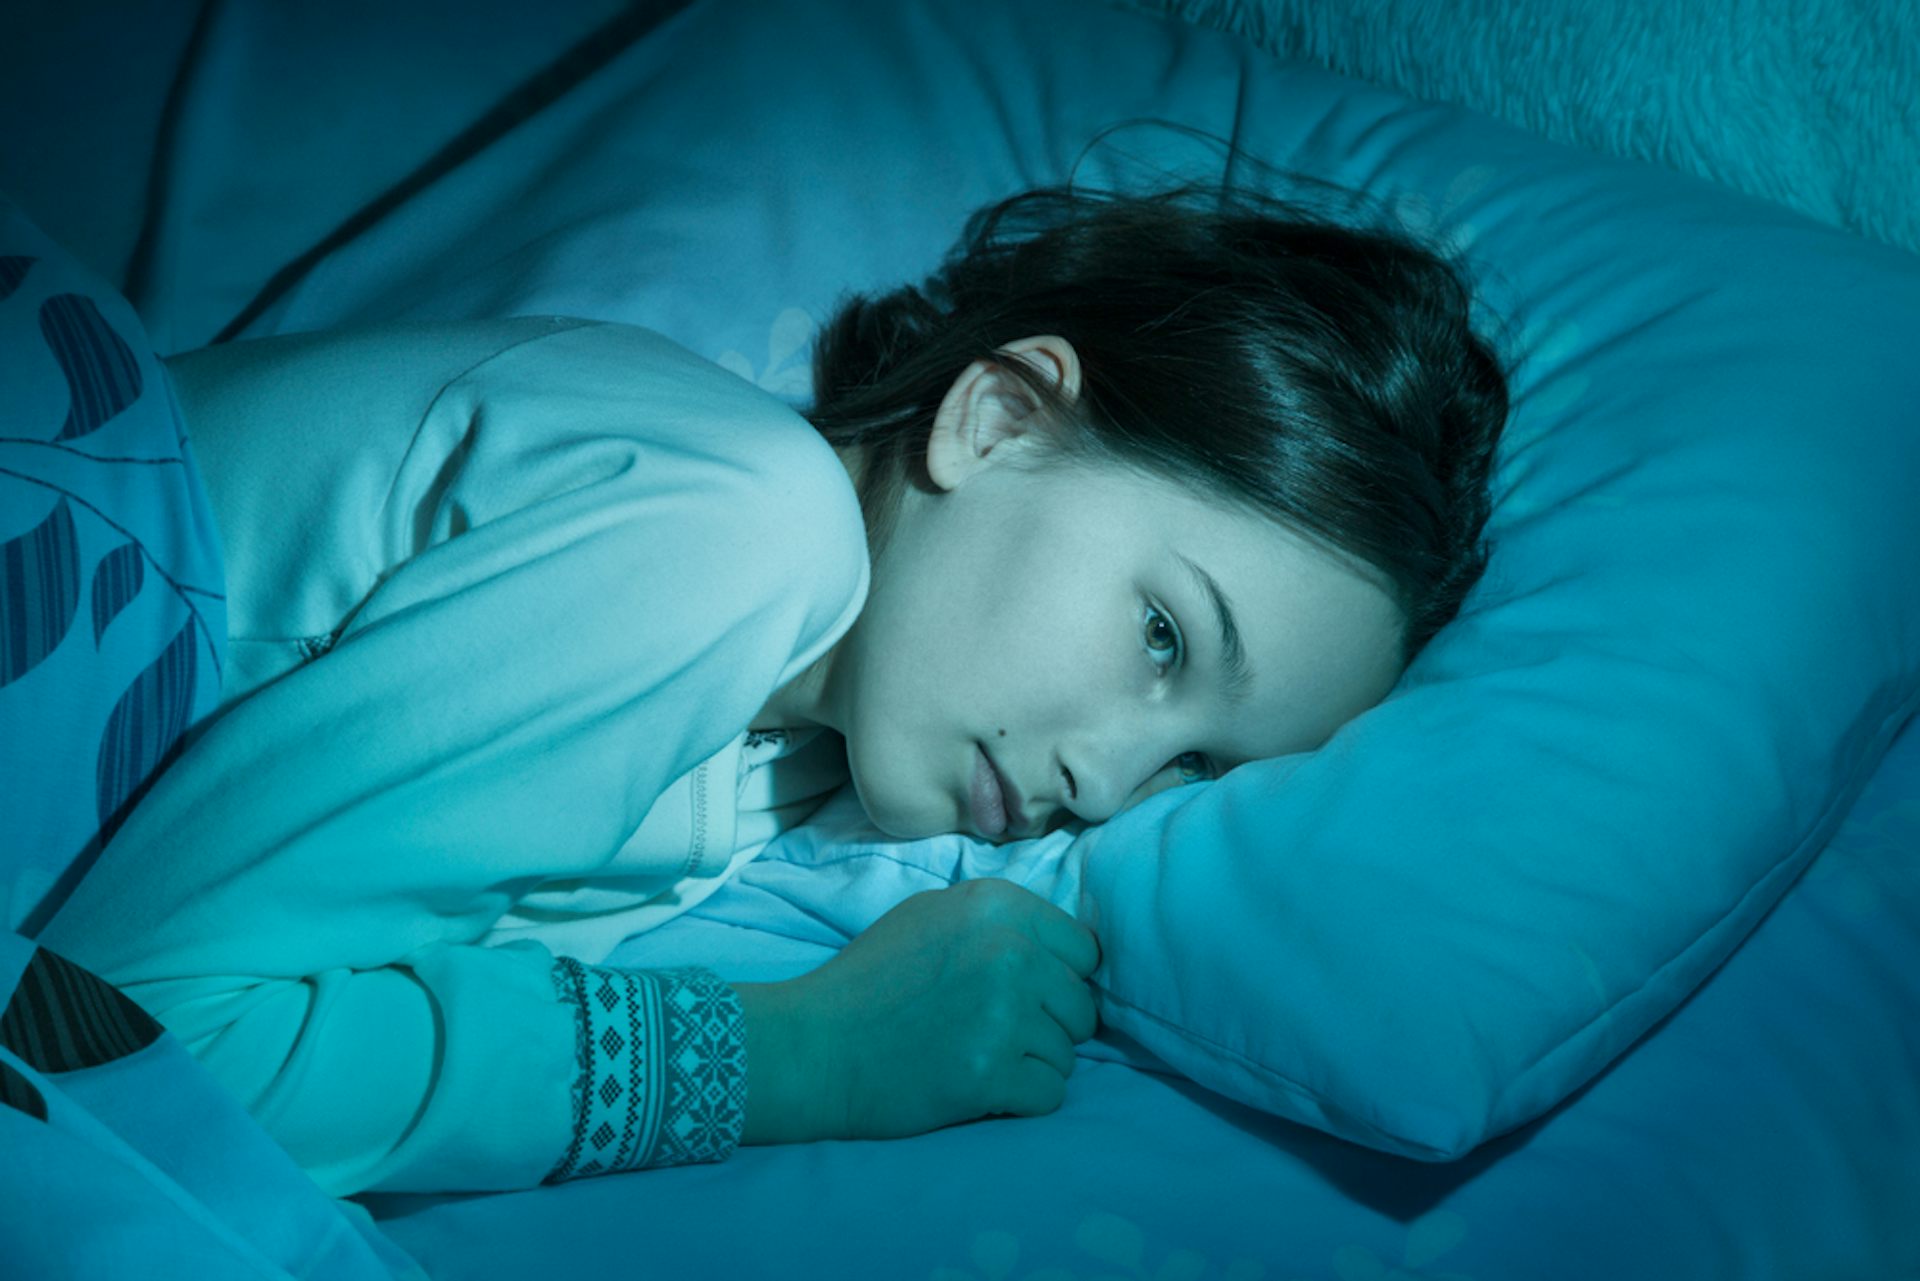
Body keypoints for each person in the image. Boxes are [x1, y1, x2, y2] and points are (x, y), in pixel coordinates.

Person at [40, 179, 1509, 1196]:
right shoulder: (735, 527)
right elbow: (109, 1046)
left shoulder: (786, 765)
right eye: (1166, 640)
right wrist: (798, 1056)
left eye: (1198, 769)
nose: (1107, 783)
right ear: (998, 420)